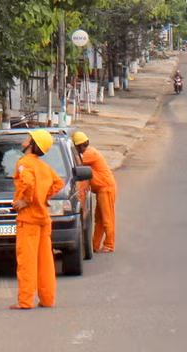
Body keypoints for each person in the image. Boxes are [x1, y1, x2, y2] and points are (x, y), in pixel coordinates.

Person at [10, 129, 64, 310]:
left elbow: (28, 183)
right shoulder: (44, 167)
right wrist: (42, 198)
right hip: (43, 219)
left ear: (32, 145)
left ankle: (25, 301)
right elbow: (58, 183)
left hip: (29, 219)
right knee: (45, 262)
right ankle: (47, 299)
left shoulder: (24, 163)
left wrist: (26, 200)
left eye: (28, 138)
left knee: (27, 262)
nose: (24, 140)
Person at [71, 131, 117, 253]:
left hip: (106, 188)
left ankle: (109, 244)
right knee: (99, 219)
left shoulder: (89, 153)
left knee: (107, 218)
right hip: (102, 189)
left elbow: (76, 164)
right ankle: (95, 245)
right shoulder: (89, 152)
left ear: (80, 145)